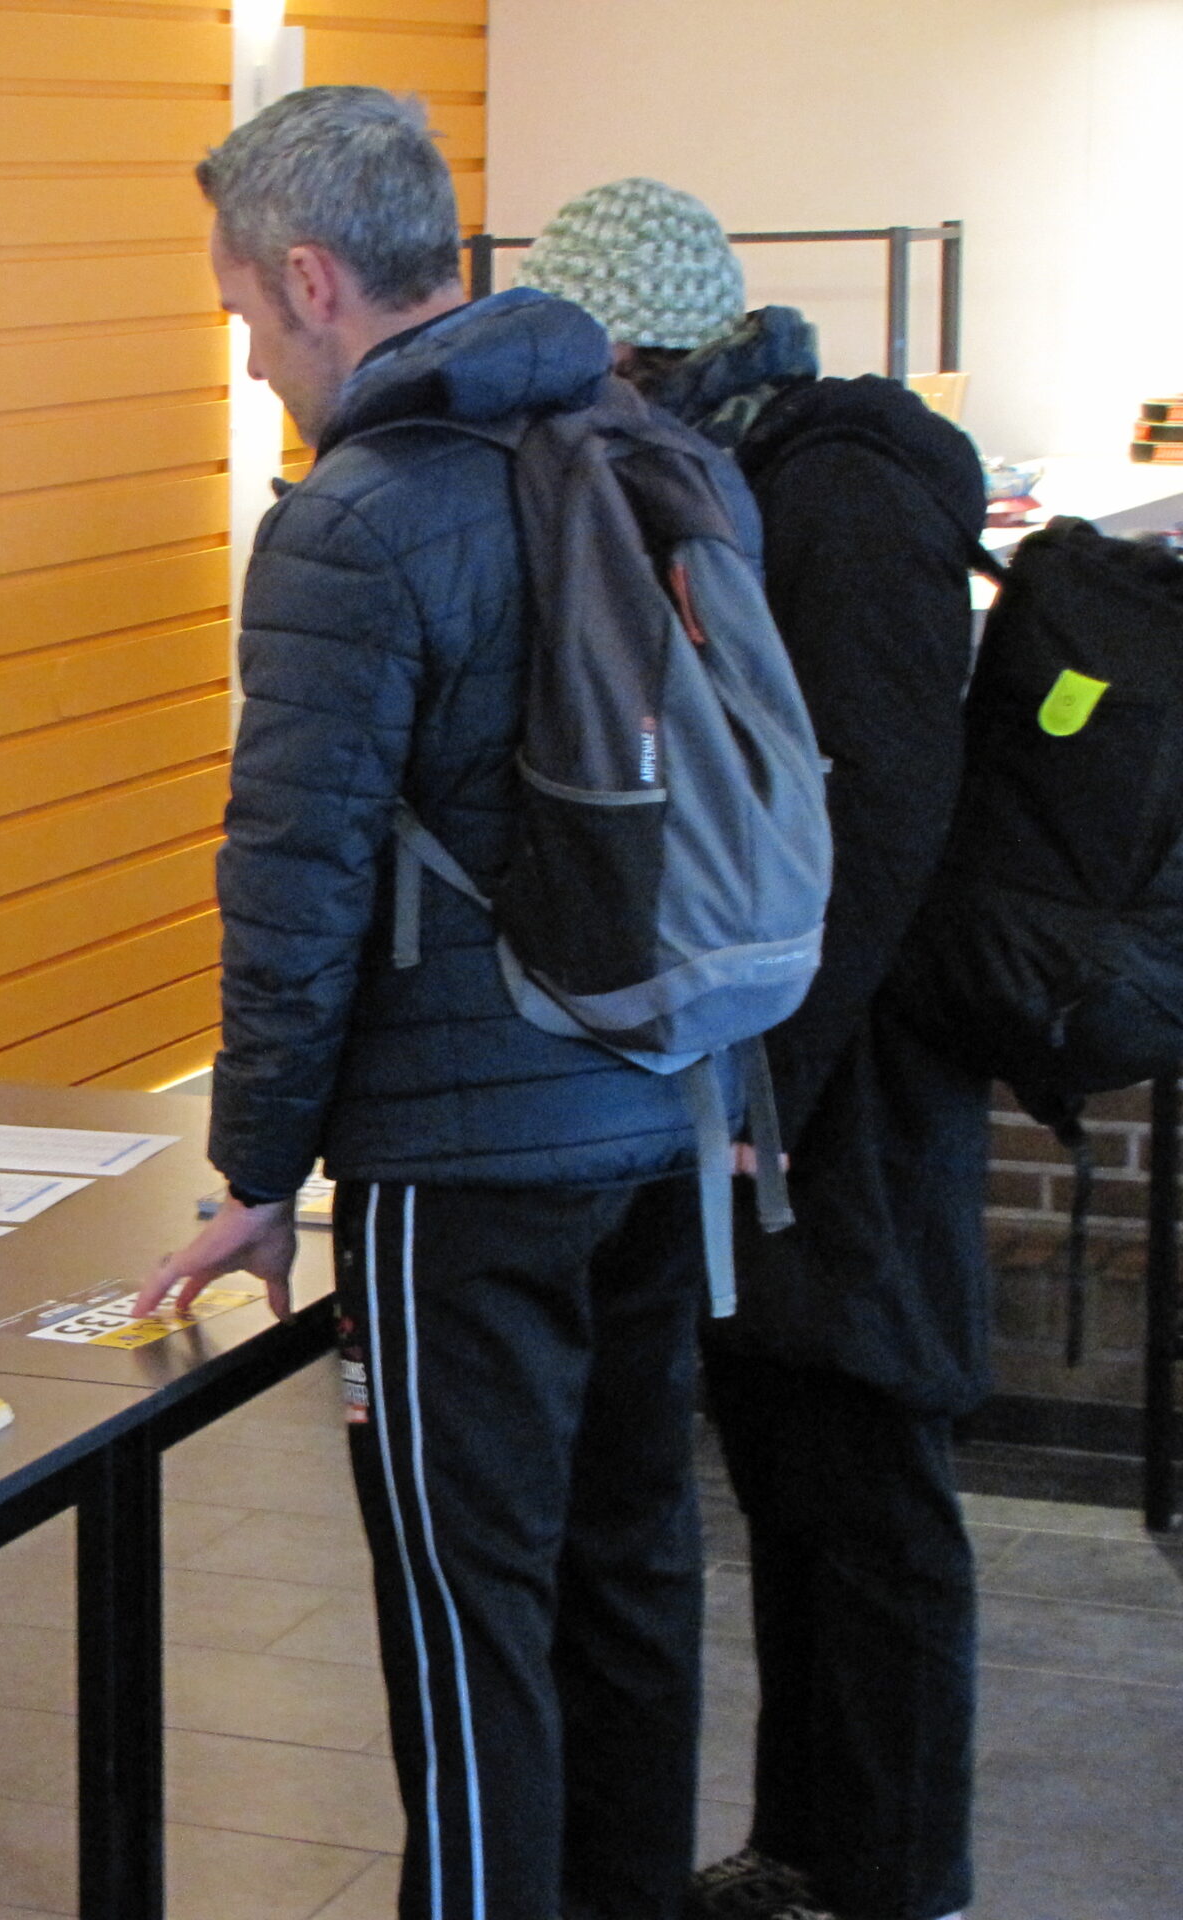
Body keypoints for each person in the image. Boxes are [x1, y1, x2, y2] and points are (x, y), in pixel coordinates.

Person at [139, 91, 725, 1920]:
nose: (248, 366)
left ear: (311, 280)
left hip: (465, 1163)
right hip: (663, 1096)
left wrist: (255, 1165)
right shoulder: (629, 442)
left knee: (466, 1623)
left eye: (242, 316)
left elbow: (295, 881)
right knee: (628, 1577)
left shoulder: (356, 520)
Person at [522, 179, 989, 1920]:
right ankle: (814, 1851)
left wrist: (762, 1088)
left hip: (848, 1093)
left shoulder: (843, 493)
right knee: (799, 1472)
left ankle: (892, 1873)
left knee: (867, 1489)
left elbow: (875, 830)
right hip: (804, 1080)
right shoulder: (757, 469)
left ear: (636, 347)